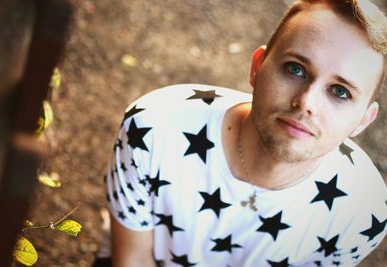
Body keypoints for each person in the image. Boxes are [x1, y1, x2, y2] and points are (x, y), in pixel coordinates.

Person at [104, 0, 387, 266]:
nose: (306, 103)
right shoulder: (154, 130)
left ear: (363, 120)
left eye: (340, 92)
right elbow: (133, 259)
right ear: (257, 67)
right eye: (295, 69)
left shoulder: (363, 211)